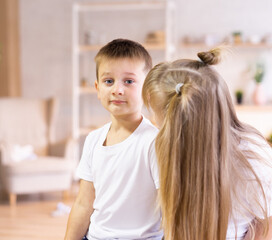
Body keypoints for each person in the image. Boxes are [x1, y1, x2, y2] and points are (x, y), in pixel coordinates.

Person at [142, 48, 272, 240]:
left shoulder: (253, 156)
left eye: (154, 113)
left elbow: (265, 226)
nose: (153, 121)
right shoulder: (255, 149)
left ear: (175, 122)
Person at [64, 39, 163, 240]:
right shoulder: (93, 140)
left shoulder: (154, 142)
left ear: (148, 90)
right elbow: (83, 204)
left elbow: (170, 210)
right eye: (108, 81)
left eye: (129, 81)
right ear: (97, 88)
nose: (118, 90)